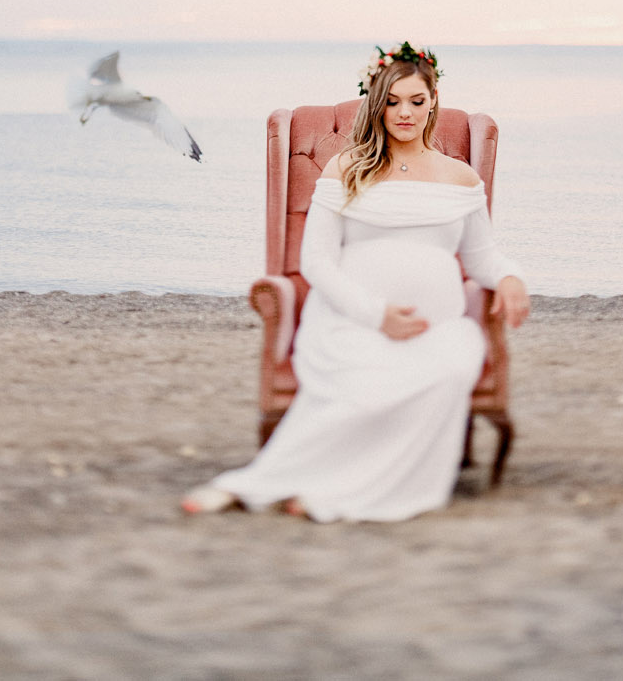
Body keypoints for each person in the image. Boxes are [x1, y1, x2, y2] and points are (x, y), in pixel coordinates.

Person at [183, 42, 530, 522]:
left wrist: (510, 277)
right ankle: (260, 484)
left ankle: (352, 492)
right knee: (365, 387)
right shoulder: (346, 168)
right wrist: (376, 315)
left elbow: (481, 255)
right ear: (376, 104)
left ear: (433, 104)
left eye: (416, 101)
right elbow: (317, 261)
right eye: (392, 101)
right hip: (353, 322)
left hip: (436, 328)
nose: (404, 112)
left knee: (450, 369)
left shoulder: (461, 177)